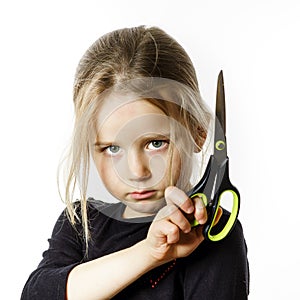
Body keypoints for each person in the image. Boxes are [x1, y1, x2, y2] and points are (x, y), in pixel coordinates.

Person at [21, 26, 249, 299]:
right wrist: (149, 253)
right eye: (112, 148)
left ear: (199, 133)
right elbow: (38, 294)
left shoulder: (211, 234)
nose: (136, 172)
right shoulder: (81, 222)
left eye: (155, 143)